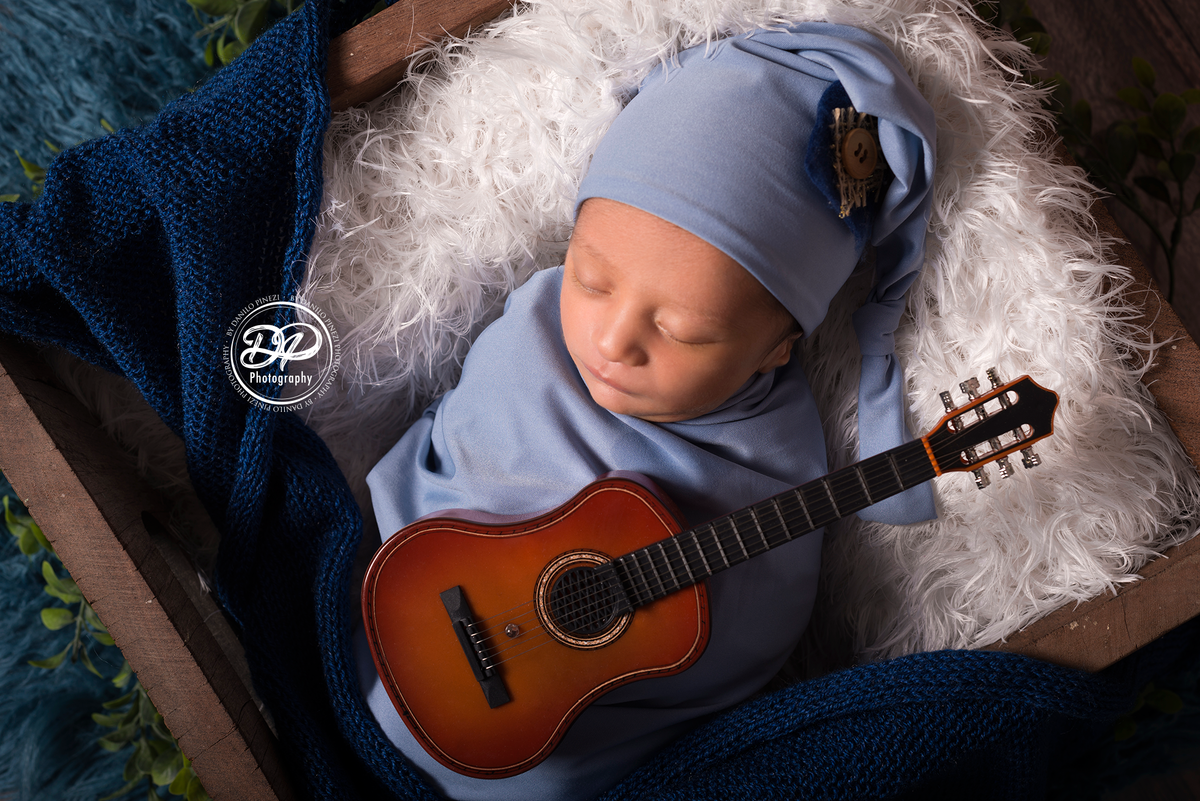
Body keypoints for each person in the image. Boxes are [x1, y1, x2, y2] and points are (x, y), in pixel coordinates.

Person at [358, 20, 938, 801]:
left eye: (681, 329)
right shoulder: (539, 320)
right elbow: (448, 444)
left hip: (526, 743)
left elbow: (729, 664)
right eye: (592, 278)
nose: (614, 338)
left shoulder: (776, 483)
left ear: (776, 348)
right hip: (371, 595)